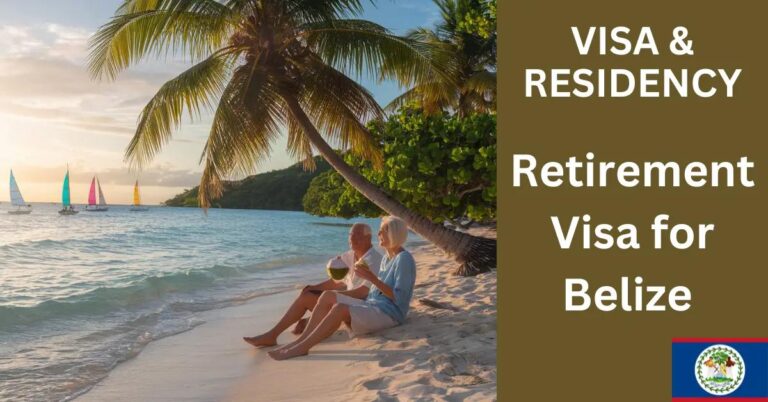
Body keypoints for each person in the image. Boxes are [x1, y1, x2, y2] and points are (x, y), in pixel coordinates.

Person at [269, 216, 416, 361]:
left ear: (393, 234)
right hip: (373, 305)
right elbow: (346, 284)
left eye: (382, 231)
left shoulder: (404, 259)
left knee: (340, 308)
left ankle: (303, 347)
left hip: (390, 313)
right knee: (328, 295)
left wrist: (371, 278)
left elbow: (399, 298)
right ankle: (299, 342)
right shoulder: (386, 258)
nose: (378, 235)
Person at [243, 223, 382, 347]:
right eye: (350, 234)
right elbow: (335, 281)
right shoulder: (349, 256)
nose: (352, 238)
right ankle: (272, 336)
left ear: (368, 238)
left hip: (357, 309)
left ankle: (308, 327)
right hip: (343, 301)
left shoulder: (374, 260)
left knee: (324, 298)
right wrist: (314, 288)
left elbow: (364, 292)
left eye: (357, 235)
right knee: (306, 295)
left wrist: (331, 297)